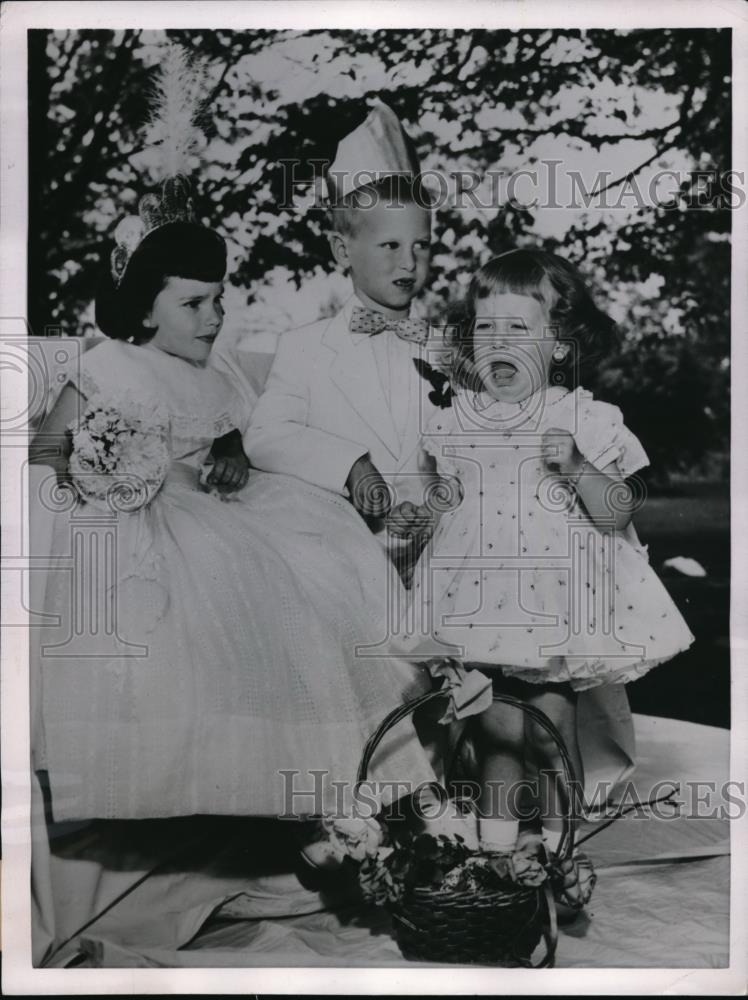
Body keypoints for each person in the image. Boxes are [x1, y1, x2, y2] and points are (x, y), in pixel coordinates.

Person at [29, 210, 441, 826]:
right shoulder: (110, 363)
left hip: (225, 505)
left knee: (325, 560)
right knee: (230, 576)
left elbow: (242, 435)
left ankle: (346, 779)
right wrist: (100, 471)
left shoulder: (219, 373)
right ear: (145, 311)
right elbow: (45, 453)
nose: (214, 318)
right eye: (193, 304)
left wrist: (232, 451)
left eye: (219, 300)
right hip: (145, 513)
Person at [403, 248, 694, 903]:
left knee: (547, 732)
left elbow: (616, 510)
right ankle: (494, 855)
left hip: (552, 607)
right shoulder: (458, 422)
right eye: (485, 329)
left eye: (517, 330)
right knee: (492, 731)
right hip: (476, 600)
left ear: (559, 347)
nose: (497, 344)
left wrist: (580, 464)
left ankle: (560, 851)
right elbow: (446, 501)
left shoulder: (587, 418)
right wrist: (417, 516)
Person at [241, 103, 441, 584]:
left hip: (441, 560)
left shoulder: (449, 351)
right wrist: (349, 465)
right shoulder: (305, 348)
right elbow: (266, 436)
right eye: (390, 246)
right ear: (341, 250)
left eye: (421, 245)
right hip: (340, 565)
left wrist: (436, 510)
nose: (409, 264)